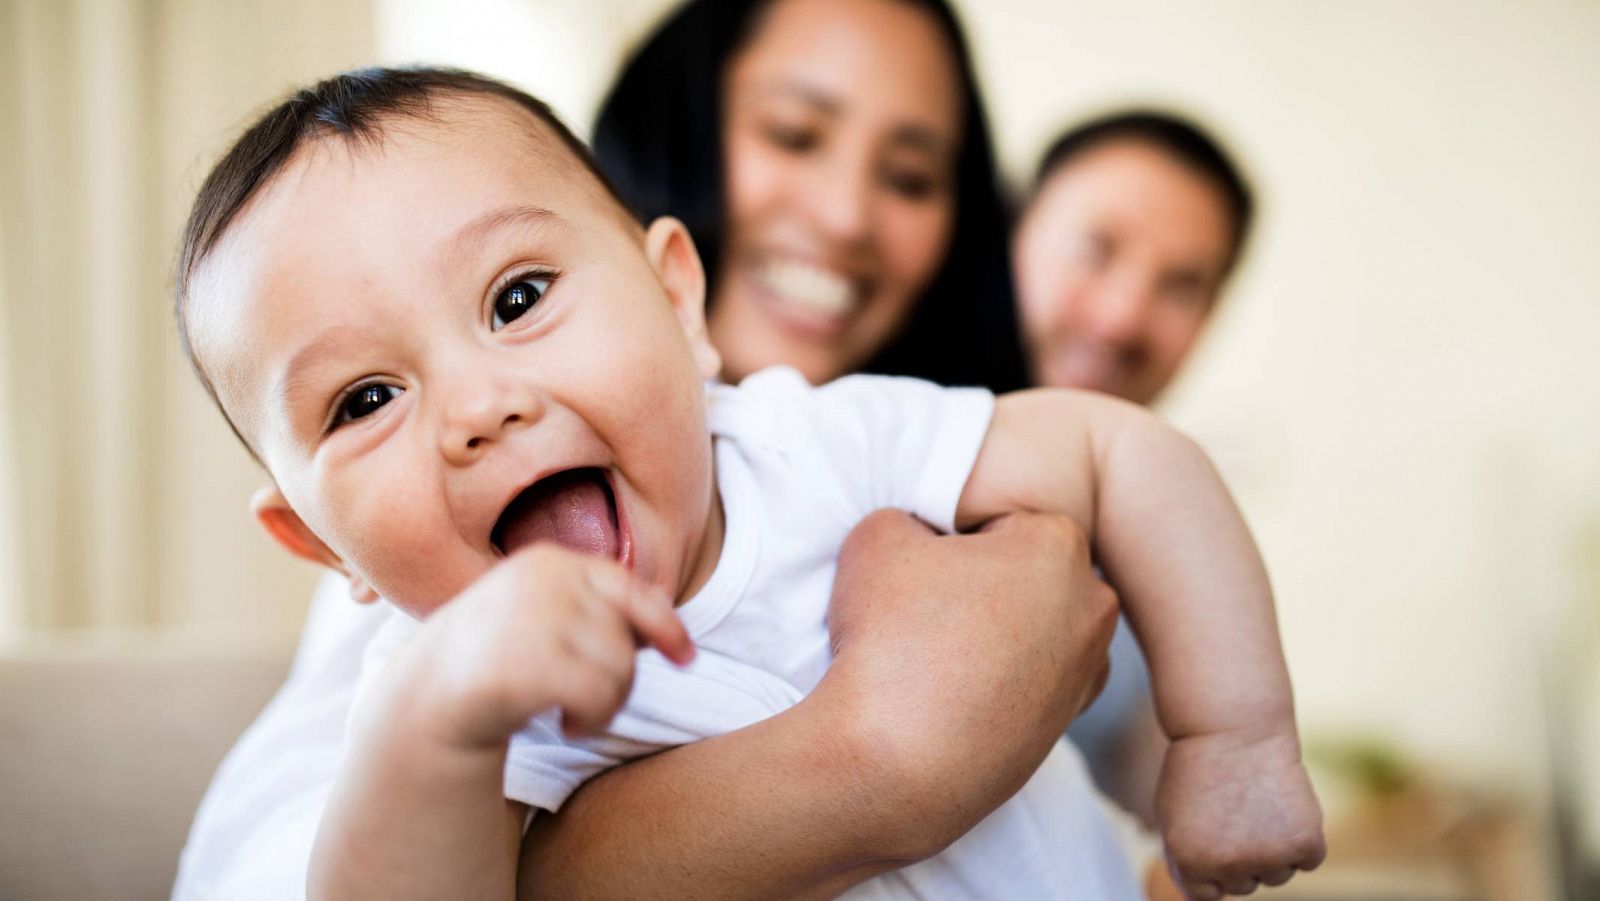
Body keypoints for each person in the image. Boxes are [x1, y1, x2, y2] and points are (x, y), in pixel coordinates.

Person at [174, 65, 1324, 900]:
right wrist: (435, 725)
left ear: (678, 298)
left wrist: (1233, 737)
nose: (479, 409)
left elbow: (1125, 450)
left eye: (517, 299)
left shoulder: (817, 441)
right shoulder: (458, 701)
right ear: (323, 548)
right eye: (364, 399)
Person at [1012, 111, 1260, 833]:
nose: (1123, 316)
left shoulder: (1173, 537)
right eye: (1094, 249)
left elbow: (1173, 830)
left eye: (1182, 285)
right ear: (1012, 232)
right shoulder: (877, 432)